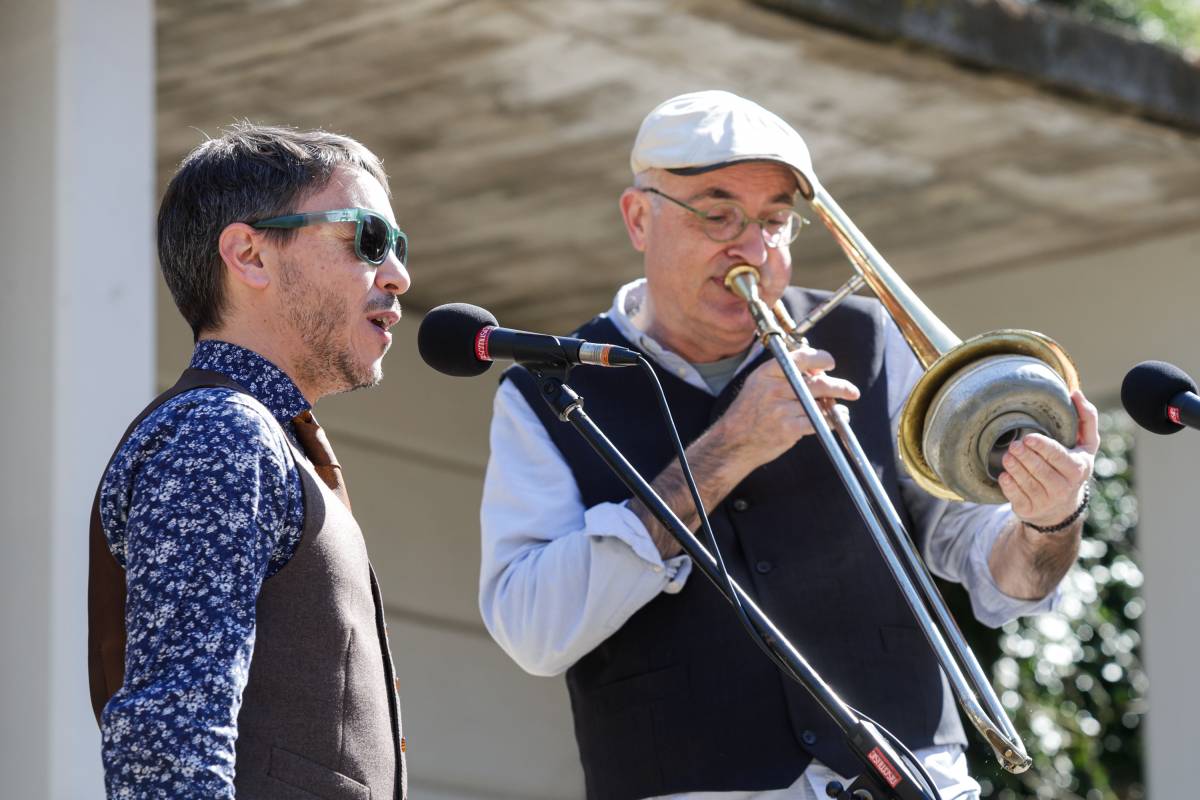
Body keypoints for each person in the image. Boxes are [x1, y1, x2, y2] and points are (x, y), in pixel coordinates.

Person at [479, 91, 1098, 799]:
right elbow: (533, 629)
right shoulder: (547, 390)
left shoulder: (869, 341)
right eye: (717, 216)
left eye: (775, 221)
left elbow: (999, 581)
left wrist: (1049, 520)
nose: (753, 250)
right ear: (639, 218)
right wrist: (728, 449)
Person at [89, 123, 411, 799]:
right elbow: (172, 736)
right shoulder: (220, 429)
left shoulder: (258, 435)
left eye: (398, 247)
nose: (398, 275)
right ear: (250, 255)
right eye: (368, 239)